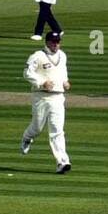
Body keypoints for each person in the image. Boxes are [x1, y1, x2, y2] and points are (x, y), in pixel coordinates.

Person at [22, 31, 71, 173]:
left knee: (57, 131)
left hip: (58, 97)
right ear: (47, 42)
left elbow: (63, 70)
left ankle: (62, 162)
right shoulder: (37, 56)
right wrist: (42, 82)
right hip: (41, 97)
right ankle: (27, 137)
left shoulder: (63, 55)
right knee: (37, 127)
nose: (56, 44)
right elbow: (27, 73)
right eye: (53, 42)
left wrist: (65, 82)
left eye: (58, 42)